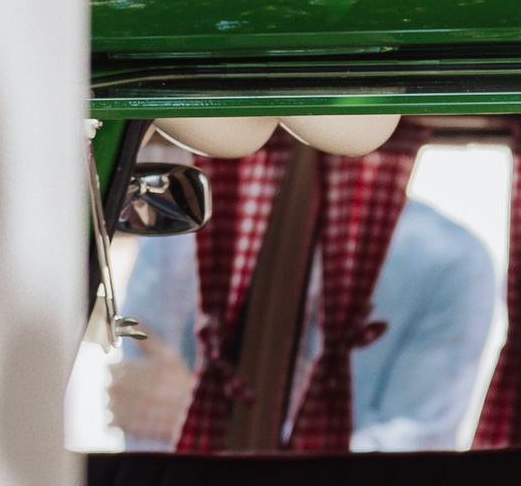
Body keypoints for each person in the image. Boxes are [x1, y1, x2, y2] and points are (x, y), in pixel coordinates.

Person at [109, 189, 500, 452]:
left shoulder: (447, 261)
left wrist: (208, 417)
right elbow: (141, 409)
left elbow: (415, 446)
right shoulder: (181, 233)